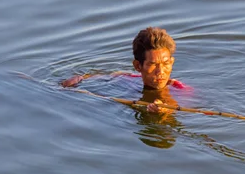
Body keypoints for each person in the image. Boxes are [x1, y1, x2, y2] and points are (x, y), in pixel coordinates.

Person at [61, 27, 191, 113]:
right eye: (153, 64)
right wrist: (80, 79)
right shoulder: (128, 78)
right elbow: (106, 76)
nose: (160, 71)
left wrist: (165, 112)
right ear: (138, 66)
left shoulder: (180, 89)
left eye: (166, 63)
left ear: (172, 62)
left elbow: (180, 106)